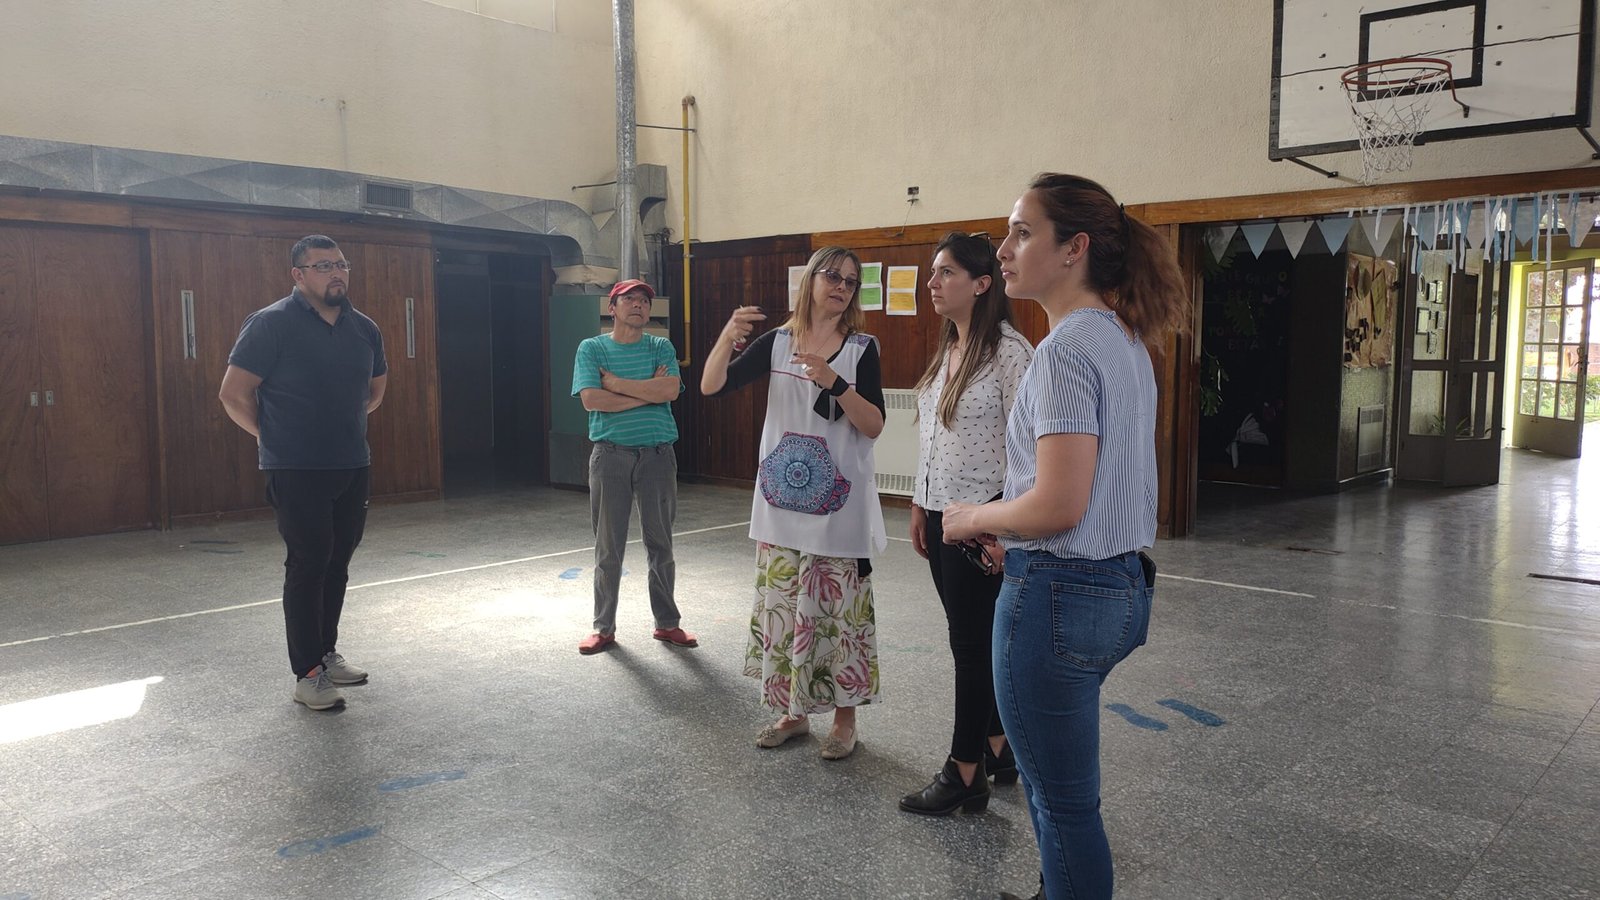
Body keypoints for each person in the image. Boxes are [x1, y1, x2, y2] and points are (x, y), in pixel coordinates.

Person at [941, 175, 1186, 900]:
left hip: (1059, 602)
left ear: (1074, 248)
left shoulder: (1066, 351)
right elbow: (1094, 489)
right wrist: (1014, 532)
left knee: (1064, 806)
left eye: (1022, 233)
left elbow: (1058, 505)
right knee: (1062, 794)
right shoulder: (1123, 339)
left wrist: (973, 517)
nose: (1004, 249)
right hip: (1117, 587)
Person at [700, 246, 887, 760]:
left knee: (837, 616)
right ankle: (794, 711)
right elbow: (712, 386)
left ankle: (845, 720)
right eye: (833, 276)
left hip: (837, 510)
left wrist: (835, 382)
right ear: (811, 281)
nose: (842, 286)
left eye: (851, 281)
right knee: (784, 611)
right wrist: (726, 336)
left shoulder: (861, 349)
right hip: (781, 505)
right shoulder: (778, 343)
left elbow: (873, 424)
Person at [219, 235, 387, 711]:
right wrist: (271, 436)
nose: (336, 273)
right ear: (298, 275)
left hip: (352, 463)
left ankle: (326, 652)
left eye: (341, 264)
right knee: (308, 563)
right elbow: (233, 394)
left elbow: (374, 391)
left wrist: (339, 426)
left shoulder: (364, 328)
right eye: (322, 266)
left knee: (337, 563)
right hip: (294, 468)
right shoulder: (270, 324)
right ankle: (307, 674)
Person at [899, 232, 1033, 817]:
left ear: (981, 284)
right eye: (933, 272)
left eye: (946, 273)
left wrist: (1001, 525)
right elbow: (933, 437)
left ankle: (965, 772)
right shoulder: (949, 347)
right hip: (940, 516)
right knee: (972, 640)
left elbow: (1031, 449)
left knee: (971, 648)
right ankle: (998, 747)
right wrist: (919, 503)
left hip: (981, 523)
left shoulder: (1010, 353)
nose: (933, 283)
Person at [570, 278, 697, 655]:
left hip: (658, 455)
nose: (639, 305)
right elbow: (593, 400)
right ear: (612, 308)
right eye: (630, 299)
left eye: (644, 300)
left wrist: (617, 384)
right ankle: (603, 628)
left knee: (661, 544)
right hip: (611, 456)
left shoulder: (661, 347)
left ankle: (667, 624)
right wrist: (646, 395)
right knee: (608, 548)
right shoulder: (592, 348)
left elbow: (669, 391)